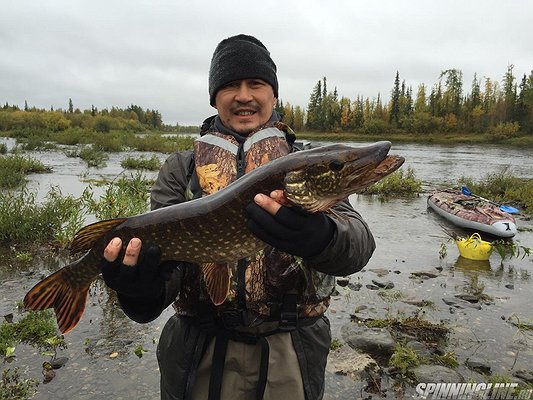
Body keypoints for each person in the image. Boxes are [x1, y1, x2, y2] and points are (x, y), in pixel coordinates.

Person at [101, 34, 376, 400]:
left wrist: (321, 236)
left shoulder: (307, 164)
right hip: (198, 350)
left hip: (289, 351)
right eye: (230, 85)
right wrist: (138, 291)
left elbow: (357, 245)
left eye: (256, 84)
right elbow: (165, 275)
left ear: (273, 95)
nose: (244, 95)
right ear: (215, 97)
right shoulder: (181, 170)